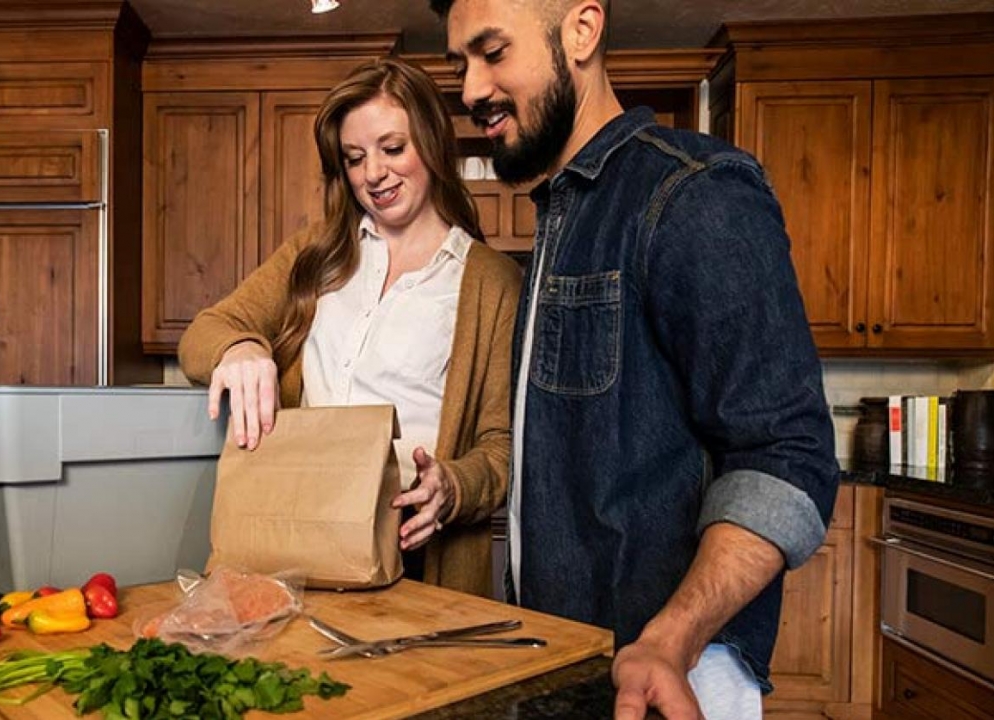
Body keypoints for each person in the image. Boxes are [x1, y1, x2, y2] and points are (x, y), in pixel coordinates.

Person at [430, 1, 840, 718]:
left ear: (581, 31)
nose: (469, 88)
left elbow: (786, 455)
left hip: (668, 678)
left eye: (492, 52)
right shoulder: (563, 215)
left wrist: (669, 641)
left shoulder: (692, 193)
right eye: (461, 62)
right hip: (571, 666)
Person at [178, 57, 522, 598]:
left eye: (392, 148)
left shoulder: (491, 283)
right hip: (292, 544)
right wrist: (240, 345)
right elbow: (204, 332)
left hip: (415, 562)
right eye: (355, 157)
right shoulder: (316, 255)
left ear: (431, 142)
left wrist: (451, 486)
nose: (373, 174)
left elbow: (502, 445)